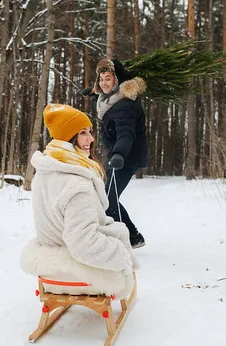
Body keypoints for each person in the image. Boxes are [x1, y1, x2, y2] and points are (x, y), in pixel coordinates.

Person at [20, 104, 135, 298]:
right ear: (68, 137)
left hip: (51, 259)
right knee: (120, 236)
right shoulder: (76, 184)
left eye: (90, 132)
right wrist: (122, 255)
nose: (91, 138)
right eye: (83, 133)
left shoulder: (47, 170)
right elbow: (83, 244)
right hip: (76, 269)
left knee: (118, 229)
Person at [88, 59, 148, 249]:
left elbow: (126, 133)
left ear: (117, 80)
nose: (104, 83)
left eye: (108, 78)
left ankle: (132, 236)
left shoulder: (125, 105)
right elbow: (109, 106)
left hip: (125, 157)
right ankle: (127, 235)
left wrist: (119, 154)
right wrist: (91, 95)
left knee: (108, 198)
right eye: (101, 79)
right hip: (119, 155)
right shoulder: (113, 99)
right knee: (106, 196)